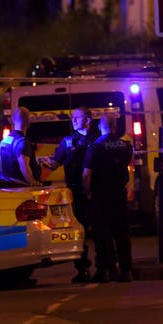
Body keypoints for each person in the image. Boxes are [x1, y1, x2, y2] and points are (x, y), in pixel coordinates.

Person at [43, 107, 97, 283]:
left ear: (88, 120)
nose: (73, 121)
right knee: (80, 232)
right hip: (76, 192)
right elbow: (55, 164)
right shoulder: (67, 141)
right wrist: (44, 164)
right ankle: (83, 269)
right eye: (72, 117)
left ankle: (105, 268)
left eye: (77, 117)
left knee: (100, 231)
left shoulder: (96, 139)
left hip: (95, 192)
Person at [82, 112, 134, 283]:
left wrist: (87, 192)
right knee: (122, 234)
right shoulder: (126, 146)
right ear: (115, 126)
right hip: (119, 194)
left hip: (101, 195)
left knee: (103, 235)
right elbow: (126, 167)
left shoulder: (96, 146)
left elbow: (87, 174)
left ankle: (108, 270)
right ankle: (126, 271)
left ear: (100, 126)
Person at [0, 107, 42, 185]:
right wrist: (34, 183)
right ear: (29, 122)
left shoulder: (4, 141)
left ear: (13, 120)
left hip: (7, 186)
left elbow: (2, 167)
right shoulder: (23, 141)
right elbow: (24, 165)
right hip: (21, 187)